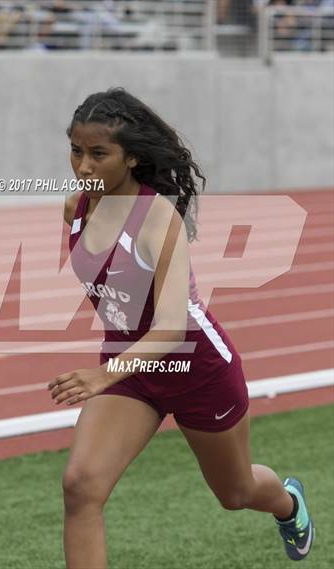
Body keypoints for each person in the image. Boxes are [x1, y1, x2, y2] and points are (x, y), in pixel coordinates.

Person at [47, 88, 315, 569]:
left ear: (130, 157)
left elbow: (172, 329)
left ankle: (289, 503)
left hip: (197, 368)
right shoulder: (76, 208)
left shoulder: (157, 219)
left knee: (236, 493)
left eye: (98, 154)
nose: (83, 166)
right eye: (76, 150)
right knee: (80, 486)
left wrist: (100, 376)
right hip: (131, 369)